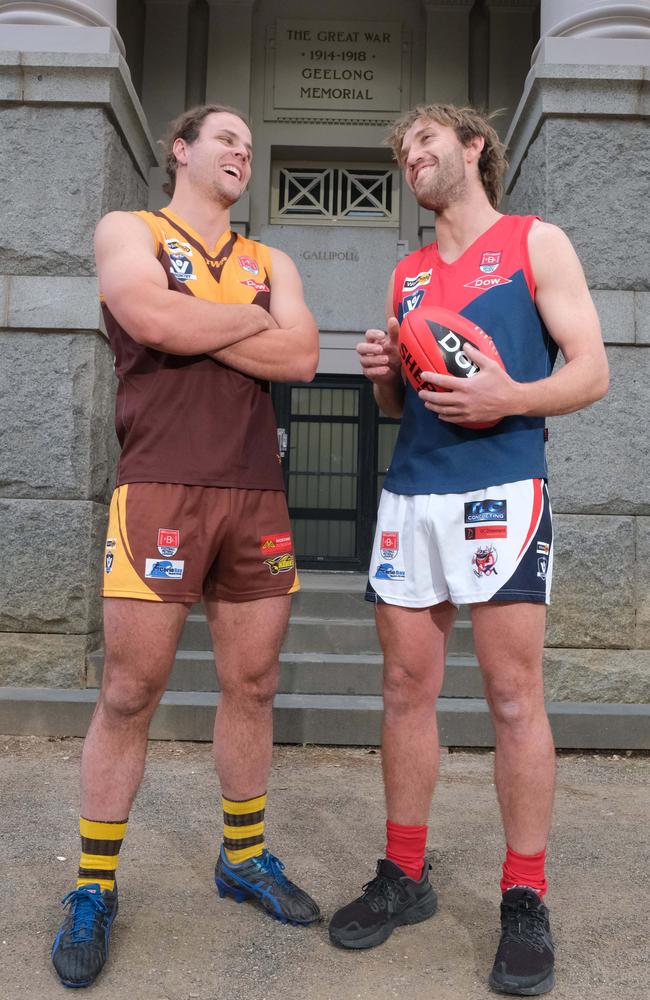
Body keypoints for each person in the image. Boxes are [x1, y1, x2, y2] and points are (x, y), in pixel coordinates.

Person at [328, 104, 609, 997]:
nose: (411, 156)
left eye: (424, 141)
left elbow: (591, 372)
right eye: (402, 149)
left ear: (473, 146)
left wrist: (508, 395)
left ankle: (524, 896)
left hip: (502, 489)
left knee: (513, 696)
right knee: (405, 689)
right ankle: (403, 873)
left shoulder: (536, 241)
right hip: (413, 493)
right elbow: (399, 409)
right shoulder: (407, 275)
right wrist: (382, 381)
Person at [51, 104, 321, 989]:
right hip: (159, 487)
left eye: (250, 145)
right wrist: (250, 322)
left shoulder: (270, 258)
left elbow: (306, 355)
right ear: (181, 148)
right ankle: (93, 885)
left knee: (252, 684)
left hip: (254, 493)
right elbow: (150, 320)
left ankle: (243, 857)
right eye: (226, 140)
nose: (243, 153)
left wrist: (209, 317)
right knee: (131, 690)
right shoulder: (129, 228)